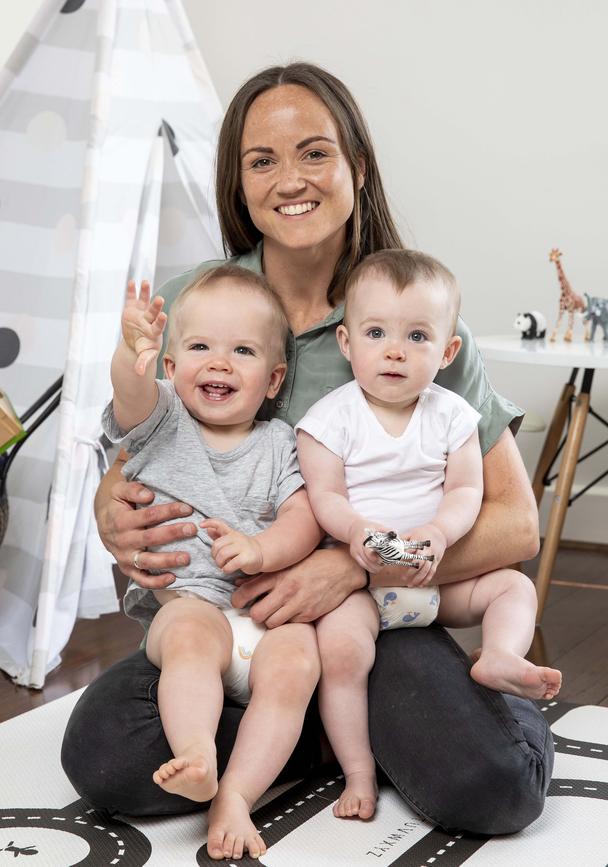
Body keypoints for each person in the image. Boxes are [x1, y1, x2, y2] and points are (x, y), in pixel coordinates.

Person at [62, 62, 553, 858]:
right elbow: (137, 445)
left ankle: (367, 716)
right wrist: (109, 510)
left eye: (314, 152)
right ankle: (310, 727)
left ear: (357, 164)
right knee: (105, 761)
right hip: (224, 622)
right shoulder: (200, 297)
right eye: (262, 160)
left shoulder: (407, 312)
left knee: (494, 785)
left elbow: (515, 524)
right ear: (238, 181)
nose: (290, 179)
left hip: (371, 623)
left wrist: (355, 568)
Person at [296, 249, 562, 820]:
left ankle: (499, 656)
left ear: (447, 352)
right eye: (376, 332)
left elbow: (467, 491)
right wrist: (357, 533)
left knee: (513, 587)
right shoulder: (330, 419)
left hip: (435, 581)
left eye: (417, 336)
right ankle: (358, 772)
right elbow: (326, 499)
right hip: (361, 592)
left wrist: (441, 534)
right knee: (341, 650)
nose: (395, 350)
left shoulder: (452, 415)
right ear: (347, 344)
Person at [104, 266, 322, 859]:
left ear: (274, 379)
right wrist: (132, 353)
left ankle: (237, 797)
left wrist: (260, 550)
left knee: (298, 665)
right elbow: (131, 394)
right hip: (192, 606)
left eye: (242, 351)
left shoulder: (282, 443)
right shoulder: (161, 423)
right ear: (172, 369)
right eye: (200, 347)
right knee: (192, 641)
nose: (220, 363)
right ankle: (198, 752)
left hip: (266, 613)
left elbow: (302, 520)